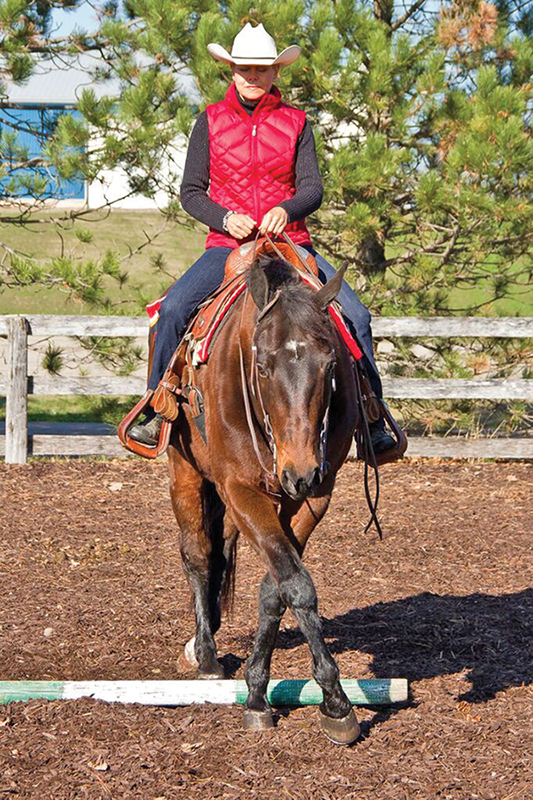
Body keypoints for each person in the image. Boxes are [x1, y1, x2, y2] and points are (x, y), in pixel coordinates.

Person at [129, 22, 395, 455]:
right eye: (244, 68)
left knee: (357, 317)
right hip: (228, 247)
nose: (252, 76)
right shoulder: (209, 121)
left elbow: (312, 188)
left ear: (275, 73)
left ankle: (371, 415)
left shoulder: (296, 123)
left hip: (290, 244)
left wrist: (285, 210)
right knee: (174, 309)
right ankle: (158, 408)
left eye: (261, 69)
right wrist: (224, 218)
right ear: (232, 70)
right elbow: (191, 192)